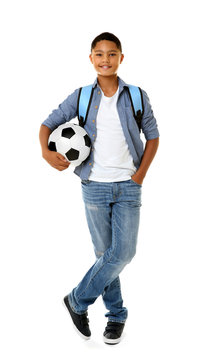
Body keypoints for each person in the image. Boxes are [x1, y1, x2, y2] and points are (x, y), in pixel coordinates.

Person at [39, 32, 159, 345]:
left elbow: (154, 136)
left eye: (112, 54)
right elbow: (47, 124)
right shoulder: (81, 96)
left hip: (129, 186)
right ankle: (116, 316)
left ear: (121, 57)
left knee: (123, 253)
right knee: (106, 255)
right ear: (91, 58)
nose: (105, 59)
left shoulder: (136, 95)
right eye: (99, 54)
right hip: (93, 185)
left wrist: (140, 176)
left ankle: (77, 300)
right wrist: (46, 151)